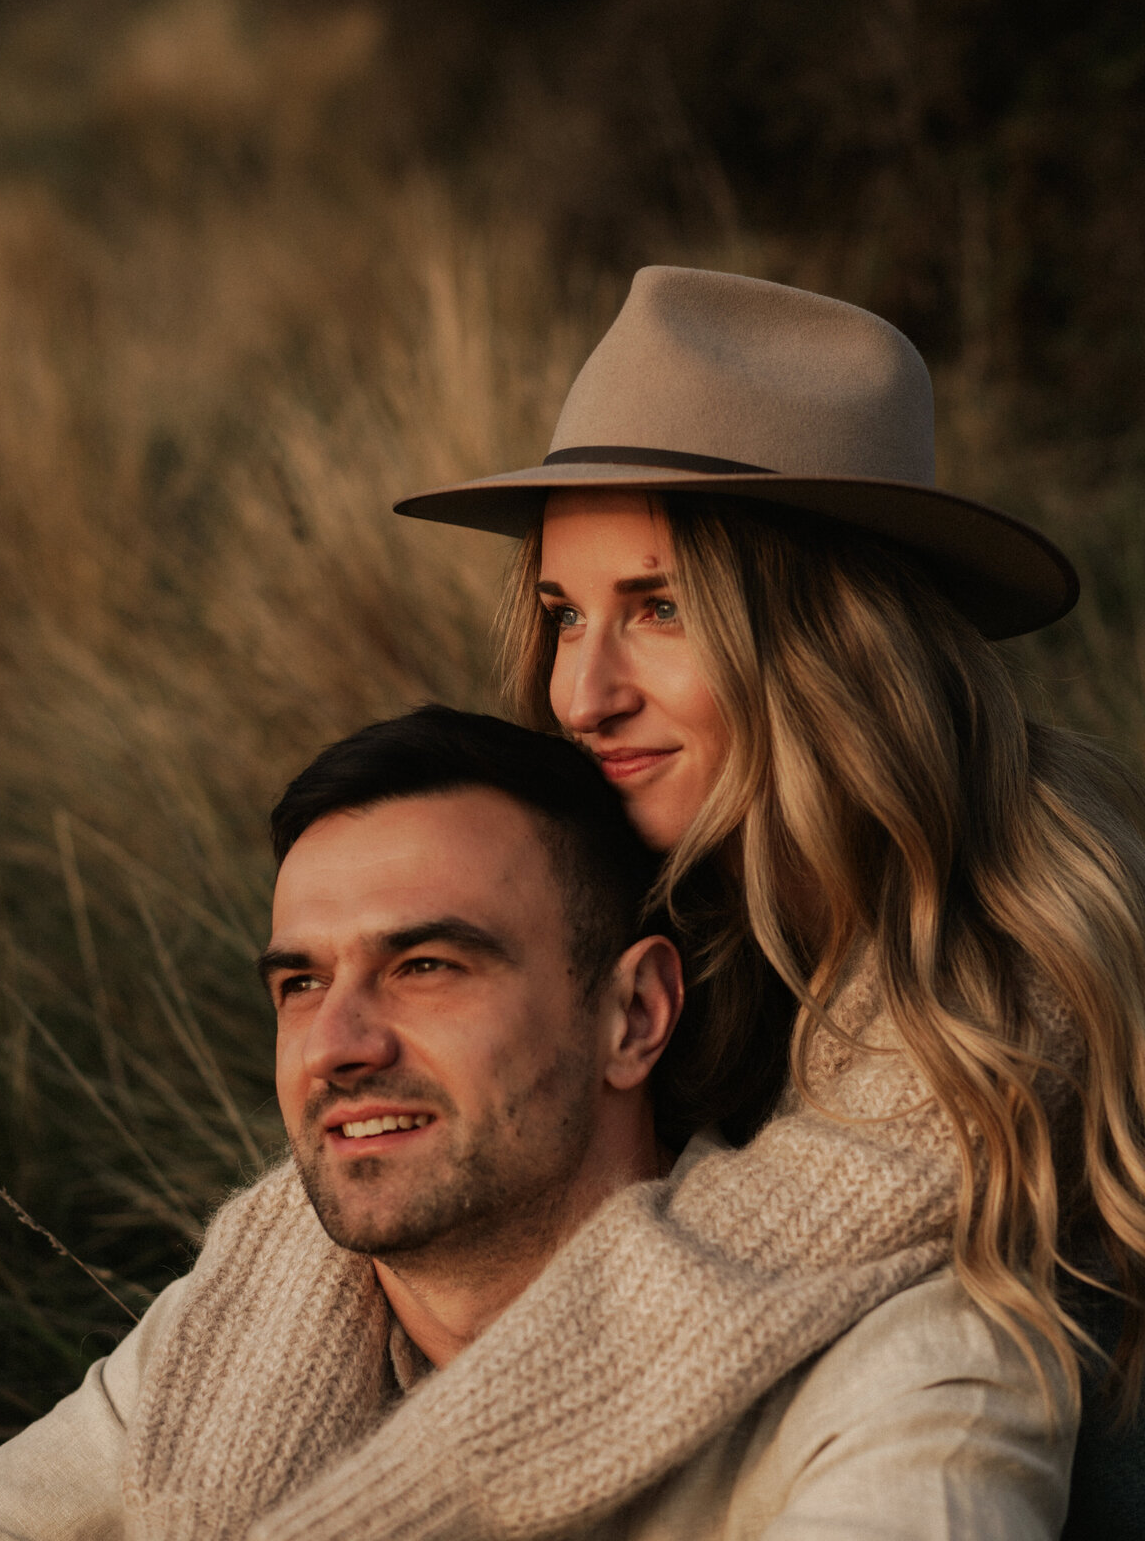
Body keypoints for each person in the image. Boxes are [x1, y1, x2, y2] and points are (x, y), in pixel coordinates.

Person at [235, 266, 1145, 1541]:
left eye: (659, 608)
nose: (581, 692)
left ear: (830, 635)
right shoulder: (673, 902)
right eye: (563, 614)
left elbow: (739, 1316)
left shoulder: (1019, 979)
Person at [0, 706, 1077, 1541]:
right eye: (298, 984)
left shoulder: (918, 1366)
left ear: (634, 1016)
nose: (339, 1044)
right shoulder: (230, 1336)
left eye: (427, 965)